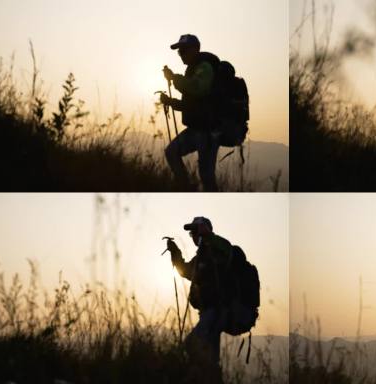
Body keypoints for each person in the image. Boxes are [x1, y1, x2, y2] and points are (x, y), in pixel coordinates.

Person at [166, 217, 232, 383]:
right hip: (207, 312)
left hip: (217, 310)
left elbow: (226, 252)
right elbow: (185, 271)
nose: (193, 235)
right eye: (191, 233)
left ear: (205, 230)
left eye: (195, 231)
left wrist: (208, 237)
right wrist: (175, 252)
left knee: (191, 344)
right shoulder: (201, 257)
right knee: (211, 356)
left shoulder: (219, 247)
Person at [160, 34, 221, 192]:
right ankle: (185, 188)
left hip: (208, 130)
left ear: (195, 49)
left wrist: (174, 78)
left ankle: (188, 188)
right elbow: (191, 105)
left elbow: (198, 88)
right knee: (172, 152)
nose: (181, 54)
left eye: (184, 50)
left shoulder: (205, 67)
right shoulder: (193, 69)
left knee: (206, 176)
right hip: (197, 129)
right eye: (179, 51)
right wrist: (170, 102)